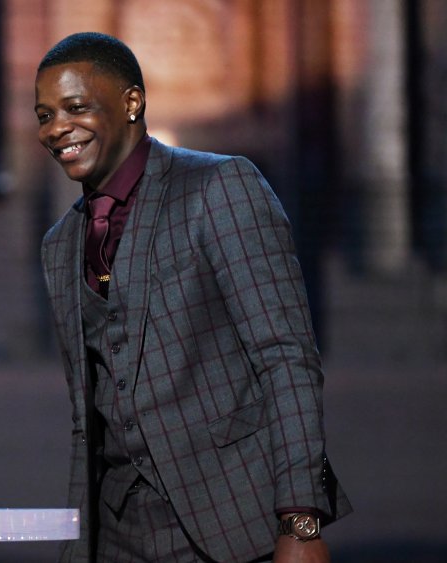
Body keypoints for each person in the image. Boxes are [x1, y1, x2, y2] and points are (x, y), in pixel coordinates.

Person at [35, 32, 351, 562]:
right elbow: (86, 420)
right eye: (44, 115)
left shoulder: (219, 187)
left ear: (132, 102)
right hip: (116, 536)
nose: (57, 127)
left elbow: (286, 358)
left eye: (75, 107)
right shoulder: (58, 245)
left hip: (233, 526)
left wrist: (301, 522)